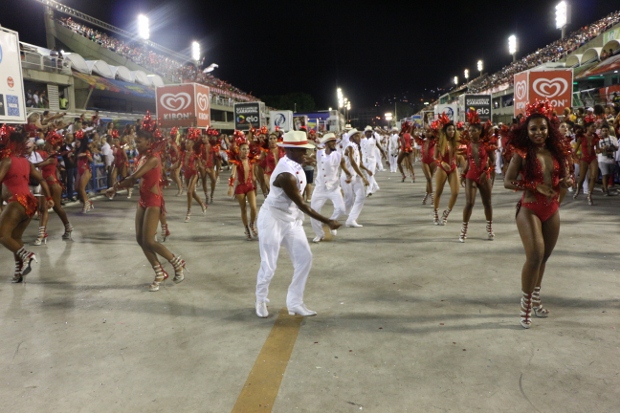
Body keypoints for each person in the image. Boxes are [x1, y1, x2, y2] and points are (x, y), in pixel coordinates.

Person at [255, 130, 341, 318]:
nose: (306, 154)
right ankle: (260, 299)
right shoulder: (286, 175)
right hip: (273, 219)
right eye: (303, 151)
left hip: (291, 219)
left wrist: (307, 161)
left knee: (304, 258)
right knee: (269, 265)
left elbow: (298, 202)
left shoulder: (295, 162)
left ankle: (294, 302)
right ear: (290, 151)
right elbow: (302, 205)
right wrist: (328, 221)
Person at [503, 100, 572, 329]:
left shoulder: (556, 152)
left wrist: (565, 181)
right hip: (530, 209)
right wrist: (534, 186)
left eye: (542, 128)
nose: (538, 133)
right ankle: (525, 305)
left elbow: (560, 178)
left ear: (549, 128)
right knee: (534, 256)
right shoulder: (522, 154)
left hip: (552, 210)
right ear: (526, 131)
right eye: (533, 129)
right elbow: (507, 182)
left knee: (544, 258)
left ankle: (536, 300)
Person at [105, 113, 186, 292]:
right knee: (140, 239)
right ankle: (159, 272)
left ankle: (176, 262)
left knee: (149, 240)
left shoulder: (153, 158)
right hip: (142, 200)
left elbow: (134, 177)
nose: (136, 144)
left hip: (153, 201)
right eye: (136, 141)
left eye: (140, 141)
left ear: (149, 142)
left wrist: (114, 188)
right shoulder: (141, 157)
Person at [0, 129, 54, 283]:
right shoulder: (26, 162)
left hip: (17, 201)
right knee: (15, 238)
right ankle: (19, 272)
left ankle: (27, 255)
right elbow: (42, 179)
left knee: (2, 235)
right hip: (30, 202)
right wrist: (48, 197)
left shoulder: (7, 161)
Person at [459, 110, 496, 243]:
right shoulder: (467, 145)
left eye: (474, 130)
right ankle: (464, 230)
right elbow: (468, 162)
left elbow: (493, 161)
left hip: (484, 177)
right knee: (469, 203)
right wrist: (463, 174)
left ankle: (490, 228)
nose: (471, 133)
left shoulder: (486, 145)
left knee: (488, 203)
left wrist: (487, 172)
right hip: (471, 176)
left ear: (480, 131)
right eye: (469, 130)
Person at [310, 133, 351, 243]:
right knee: (313, 212)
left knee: (341, 209)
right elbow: (310, 159)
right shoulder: (318, 154)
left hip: (333, 187)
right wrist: (307, 161)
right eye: (332, 142)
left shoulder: (338, 155)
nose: (334, 143)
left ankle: (330, 222)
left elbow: (344, 167)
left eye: (335, 141)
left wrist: (348, 175)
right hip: (320, 188)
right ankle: (319, 234)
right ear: (326, 144)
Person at [34, 131, 73, 243]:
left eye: (47, 142)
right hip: (45, 184)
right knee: (43, 208)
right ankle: (42, 234)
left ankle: (68, 227)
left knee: (57, 208)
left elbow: (37, 165)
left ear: (51, 144)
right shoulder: (47, 154)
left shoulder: (53, 157)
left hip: (53, 185)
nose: (45, 144)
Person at [227, 135, 258, 240]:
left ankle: (252, 224)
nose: (246, 151)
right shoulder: (237, 162)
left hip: (249, 186)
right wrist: (231, 187)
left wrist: (256, 187)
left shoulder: (251, 161)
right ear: (239, 151)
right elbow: (233, 175)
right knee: (243, 209)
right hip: (240, 187)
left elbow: (253, 176)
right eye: (243, 149)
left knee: (254, 208)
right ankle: (246, 229)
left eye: (247, 149)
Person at [433, 114, 461, 225]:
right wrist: (442, 163)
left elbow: (460, 155)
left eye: (453, 129)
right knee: (438, 192)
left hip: (453, 168)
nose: (452, 131)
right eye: (450, 130)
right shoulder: (439, 142)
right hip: (442, 168)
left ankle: (446, 214)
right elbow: (435, 157)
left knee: (455, 193)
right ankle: (435, 213)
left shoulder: (457, 142)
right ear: (445, 131)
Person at [341, 129, 370, 228]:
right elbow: (353, 163)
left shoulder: (357, 147)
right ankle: (332, 219)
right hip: (347, 176)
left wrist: (367, 170)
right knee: (348, 201)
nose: (360, 138)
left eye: (359, 136)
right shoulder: (349, 147)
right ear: (352, 138)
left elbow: (358, 163)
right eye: (357, 136)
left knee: (361, 196)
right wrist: (363, 177)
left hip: (355, 176)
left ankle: (351, 220)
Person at [573, 114, 599, 205]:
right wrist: (576, 158)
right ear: (587, 127)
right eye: (593, 127)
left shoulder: (596, 138)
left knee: (593, 177)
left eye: (595, 127)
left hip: (593, 158)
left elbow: (598, 150)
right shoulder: (581, 137)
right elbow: (575, 151)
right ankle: (577, 190)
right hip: (584, 158)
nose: (595, 128)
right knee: (582, 178)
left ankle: (589, 195)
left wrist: (604, 149)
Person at [360, 126, 385, 196]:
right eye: (367, 132)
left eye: (370, 132)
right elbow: (359, 150)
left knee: (370, 174)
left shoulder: (374, 140)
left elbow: (381, 149)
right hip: (365, 160)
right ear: (365, 133)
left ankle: (369, 190)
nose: (369, 133)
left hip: (372, 160)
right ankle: (376, 186)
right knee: (368, 174)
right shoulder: (362, 141)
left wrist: (385, 158)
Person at [74, 131, 93, 213]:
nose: (76, 143)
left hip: (86, 170)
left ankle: (86, 204)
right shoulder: (77, 150)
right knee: (77, 188)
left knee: (81, 188)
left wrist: (86, 155)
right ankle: (88, 201)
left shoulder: (86, 150)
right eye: (76, 142)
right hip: (79, 170)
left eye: (77, 142)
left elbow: (91, 160)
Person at [597, 123, 618, 196]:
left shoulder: (613, 138)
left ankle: (604, 186)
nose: (605, 132)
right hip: (602, 160)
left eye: (606, 131)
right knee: (605, 174)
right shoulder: (598, 140)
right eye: (603, 131)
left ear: (608, 131)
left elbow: (617, 148)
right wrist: (603, 149)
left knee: (609, 175)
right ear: (601, 131)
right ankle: (606, 190)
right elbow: (596, 151)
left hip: (611, 159)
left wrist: (611, 146)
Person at [418, 127, 437, 205]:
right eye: (426, 131)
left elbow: (440, 134)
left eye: (429, 132)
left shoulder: (434, 141)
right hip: (424, 161)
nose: (427, 133)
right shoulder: (422, 141)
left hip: (433, 161)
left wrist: (435, 129)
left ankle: (426, 196)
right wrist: (411, 127)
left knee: (429, 179)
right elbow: (412, 133)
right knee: (429, 178)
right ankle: (432, 197)